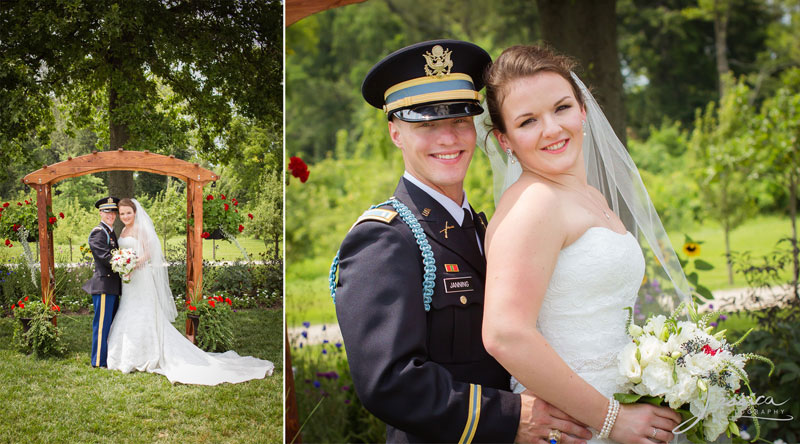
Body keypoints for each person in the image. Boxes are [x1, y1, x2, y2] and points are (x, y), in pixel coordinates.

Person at [331, 39, 592, 443]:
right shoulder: (384, 239)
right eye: (427, 125)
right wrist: (507, 416)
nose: (448, 139)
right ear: (395, 132)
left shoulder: (484, 227)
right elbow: (389, 381)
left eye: (458, 121)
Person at [478, 45, 691, 444]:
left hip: (625, 407)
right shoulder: (535, 204)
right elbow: (505, 334)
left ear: (583, 110)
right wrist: (612, 420)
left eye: (561, 108)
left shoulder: (587, 194)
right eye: (528, 121)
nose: (552, 129)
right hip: (580, 426)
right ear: (505, 140)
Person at [105, 198, 273, 385]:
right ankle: (128, 353)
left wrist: (133, 264)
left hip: (141, 276)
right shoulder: (123, 230)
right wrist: (122, 264)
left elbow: (149, 252)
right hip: (128, 279)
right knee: (129, 309)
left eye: (128, 212)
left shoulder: (141, 229)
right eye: (122, 213)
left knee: (143, 310)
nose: (125, 216)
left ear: (135, 212)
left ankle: (146, 353)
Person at [82, 196, 122, 368]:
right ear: (100, 212)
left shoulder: (110, 231)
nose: (111, 215)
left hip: (112, 286)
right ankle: (98, 361)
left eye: (113, 212)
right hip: (104, 286)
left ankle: (108, 358)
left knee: (111, 324)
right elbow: (105, 257)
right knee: (102, 326)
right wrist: (125, 263)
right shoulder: (99, 232)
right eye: (107, 211)